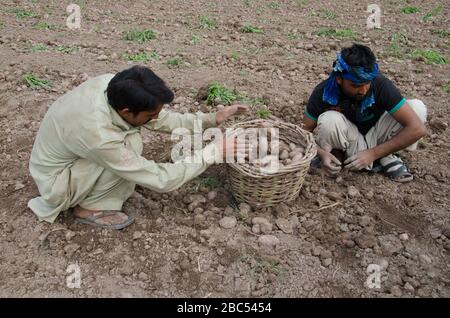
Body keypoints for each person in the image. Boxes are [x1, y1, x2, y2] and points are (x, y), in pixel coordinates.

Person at [28, 66, 248, 229]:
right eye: (150, 115)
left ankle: (103, 191)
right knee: (130, 147)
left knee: (131, 141)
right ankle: (88, 208)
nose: (155, 118)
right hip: (56, 181)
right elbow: (161, 179)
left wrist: (212, 118)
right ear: (125, 111)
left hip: (73, 155)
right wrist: (214, 152)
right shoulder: (97, 133)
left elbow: (160, 119)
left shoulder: (112, 86)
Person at [302, 43, 427, 182]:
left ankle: (385, 155)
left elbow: (418, 129)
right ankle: (340, 155)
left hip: (379, 135)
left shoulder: (380, 85)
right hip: (351, 141)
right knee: (328, 120)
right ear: (339, 79)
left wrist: (373, 153)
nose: (363, 90)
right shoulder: (324, 92)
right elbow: (304, 131)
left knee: (417, 108)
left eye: (367, 83)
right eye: (355, 85)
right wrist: (322, 153)